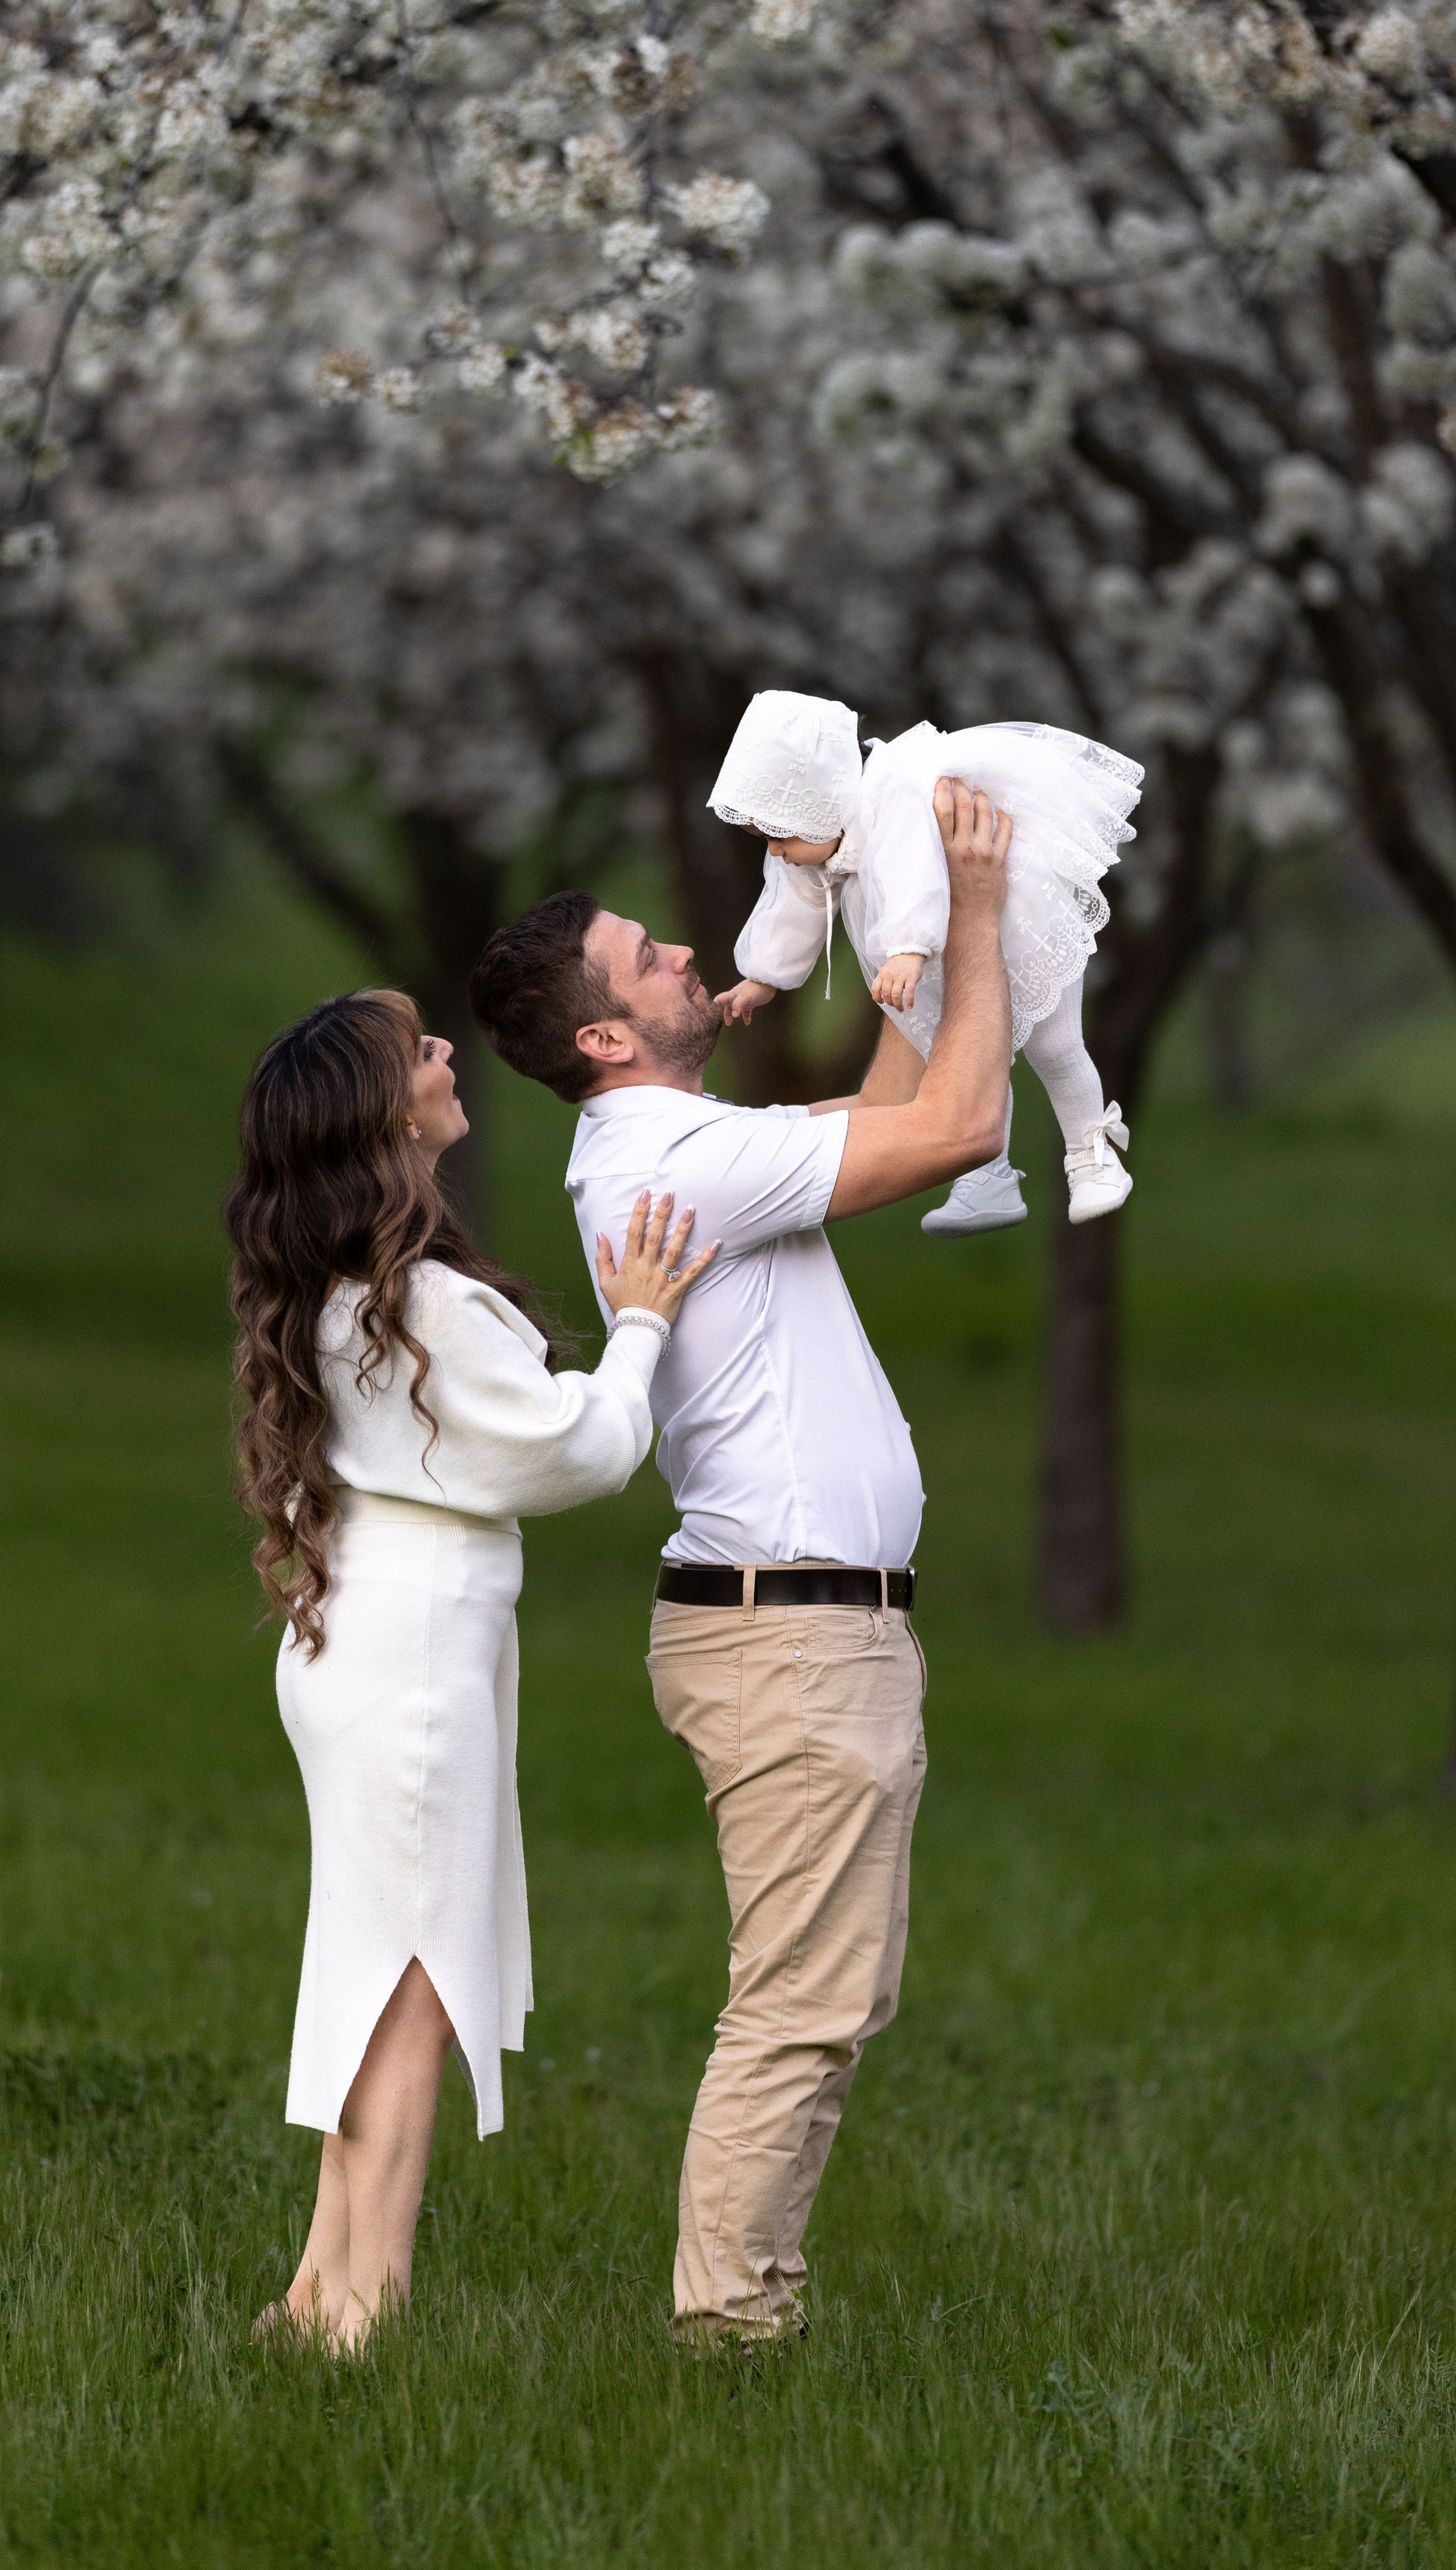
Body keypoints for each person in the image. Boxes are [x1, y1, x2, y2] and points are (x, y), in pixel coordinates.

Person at [467, 776, 1013, 2346]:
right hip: (787, 1634)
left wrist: (890, 938)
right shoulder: (666, 1160)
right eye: (645, 955)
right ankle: (726, 2325)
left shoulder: (685, 1139)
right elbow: (963, 1129)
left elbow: (892, 1115)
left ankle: (740, 2305)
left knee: (826, 1998)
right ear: (602, 1040)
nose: (684, 946)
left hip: (811, 1633)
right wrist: (975, 908)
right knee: (800, 2004)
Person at [226, 987, 716, 2351]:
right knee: (414, 1976)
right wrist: (641, 1321)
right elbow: (574, 1450)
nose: (448, 1053)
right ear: (383, 1113)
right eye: (419, 1049)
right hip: (412, 1658)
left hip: (379, 1647)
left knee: (377, 1964)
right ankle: (360, 2307)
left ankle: (319, 2289)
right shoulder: (414, 1303)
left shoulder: (370, 1293)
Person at [707, 690, 1141, 1235]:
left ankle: (1092, 1155)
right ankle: (988, 1176)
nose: (774, 850)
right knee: (956, 1044)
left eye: (778, 835)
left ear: (816, 799)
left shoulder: (895, 787)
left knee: (1054, 1044)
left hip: (1016, 901)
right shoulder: (817, 829)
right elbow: (792, 898)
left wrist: (908, 949)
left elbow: (912, 868)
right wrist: (762, 976)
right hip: (949, 927)